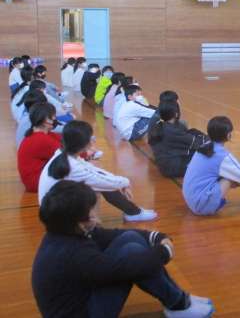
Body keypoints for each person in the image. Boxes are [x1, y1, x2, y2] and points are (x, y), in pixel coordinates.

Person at [32, 180, 214, 318]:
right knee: (133, 254)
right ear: (79, 222)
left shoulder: (65, 230)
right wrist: (164, 252)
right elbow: (125, 268)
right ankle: (178, 304)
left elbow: (113, 235)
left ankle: (178, 300)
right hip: (83, 312)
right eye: (92, 210)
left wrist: (156, 237)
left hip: (83, 295)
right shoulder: (72, 252)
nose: (96, 213)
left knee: (130, 239)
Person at [38, 120, 157, 222]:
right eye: (91, 138)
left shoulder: (64, 153)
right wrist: (124, 182)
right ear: (83, 143)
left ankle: (133, 212)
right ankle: (132, 213)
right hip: (54, 212)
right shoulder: (72, 165)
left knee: (102, 183)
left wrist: (121, 182)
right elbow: (100, 180)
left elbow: (95, 172)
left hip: (54, 205)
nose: (93, 140)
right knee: (101, 185)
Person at [149, 101, 207, 178]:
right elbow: (196, 143)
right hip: (173, 168)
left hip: (165, 164)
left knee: (194, 133)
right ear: (176, 114)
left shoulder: (160, 125)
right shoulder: (172, 130)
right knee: (206, 154)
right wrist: (207, 139)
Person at [17, 103, 61, 192]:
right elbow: (69, 153)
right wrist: (87, 152)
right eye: (53, 116)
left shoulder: (43, 134)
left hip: (38, 178)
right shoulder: (41, 139)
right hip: (37, 182)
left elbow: (67, 142)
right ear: (45, 120)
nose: (55, 119)